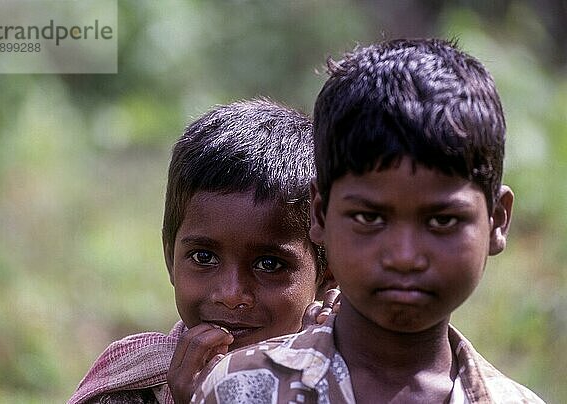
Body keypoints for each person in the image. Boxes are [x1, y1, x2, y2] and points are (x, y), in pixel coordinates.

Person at [192, 39, 546, 403]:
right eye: (368, 217)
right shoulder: (241, 389)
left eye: (442, 221)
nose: (404, 257)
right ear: (320, 215)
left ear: (497, 221)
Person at [68, 99, 337, 404]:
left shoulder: (346, 380)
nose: (231, 294)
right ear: (170, 257)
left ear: (327, 274)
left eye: (269, 264)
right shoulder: (129, 387)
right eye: (204, 257)